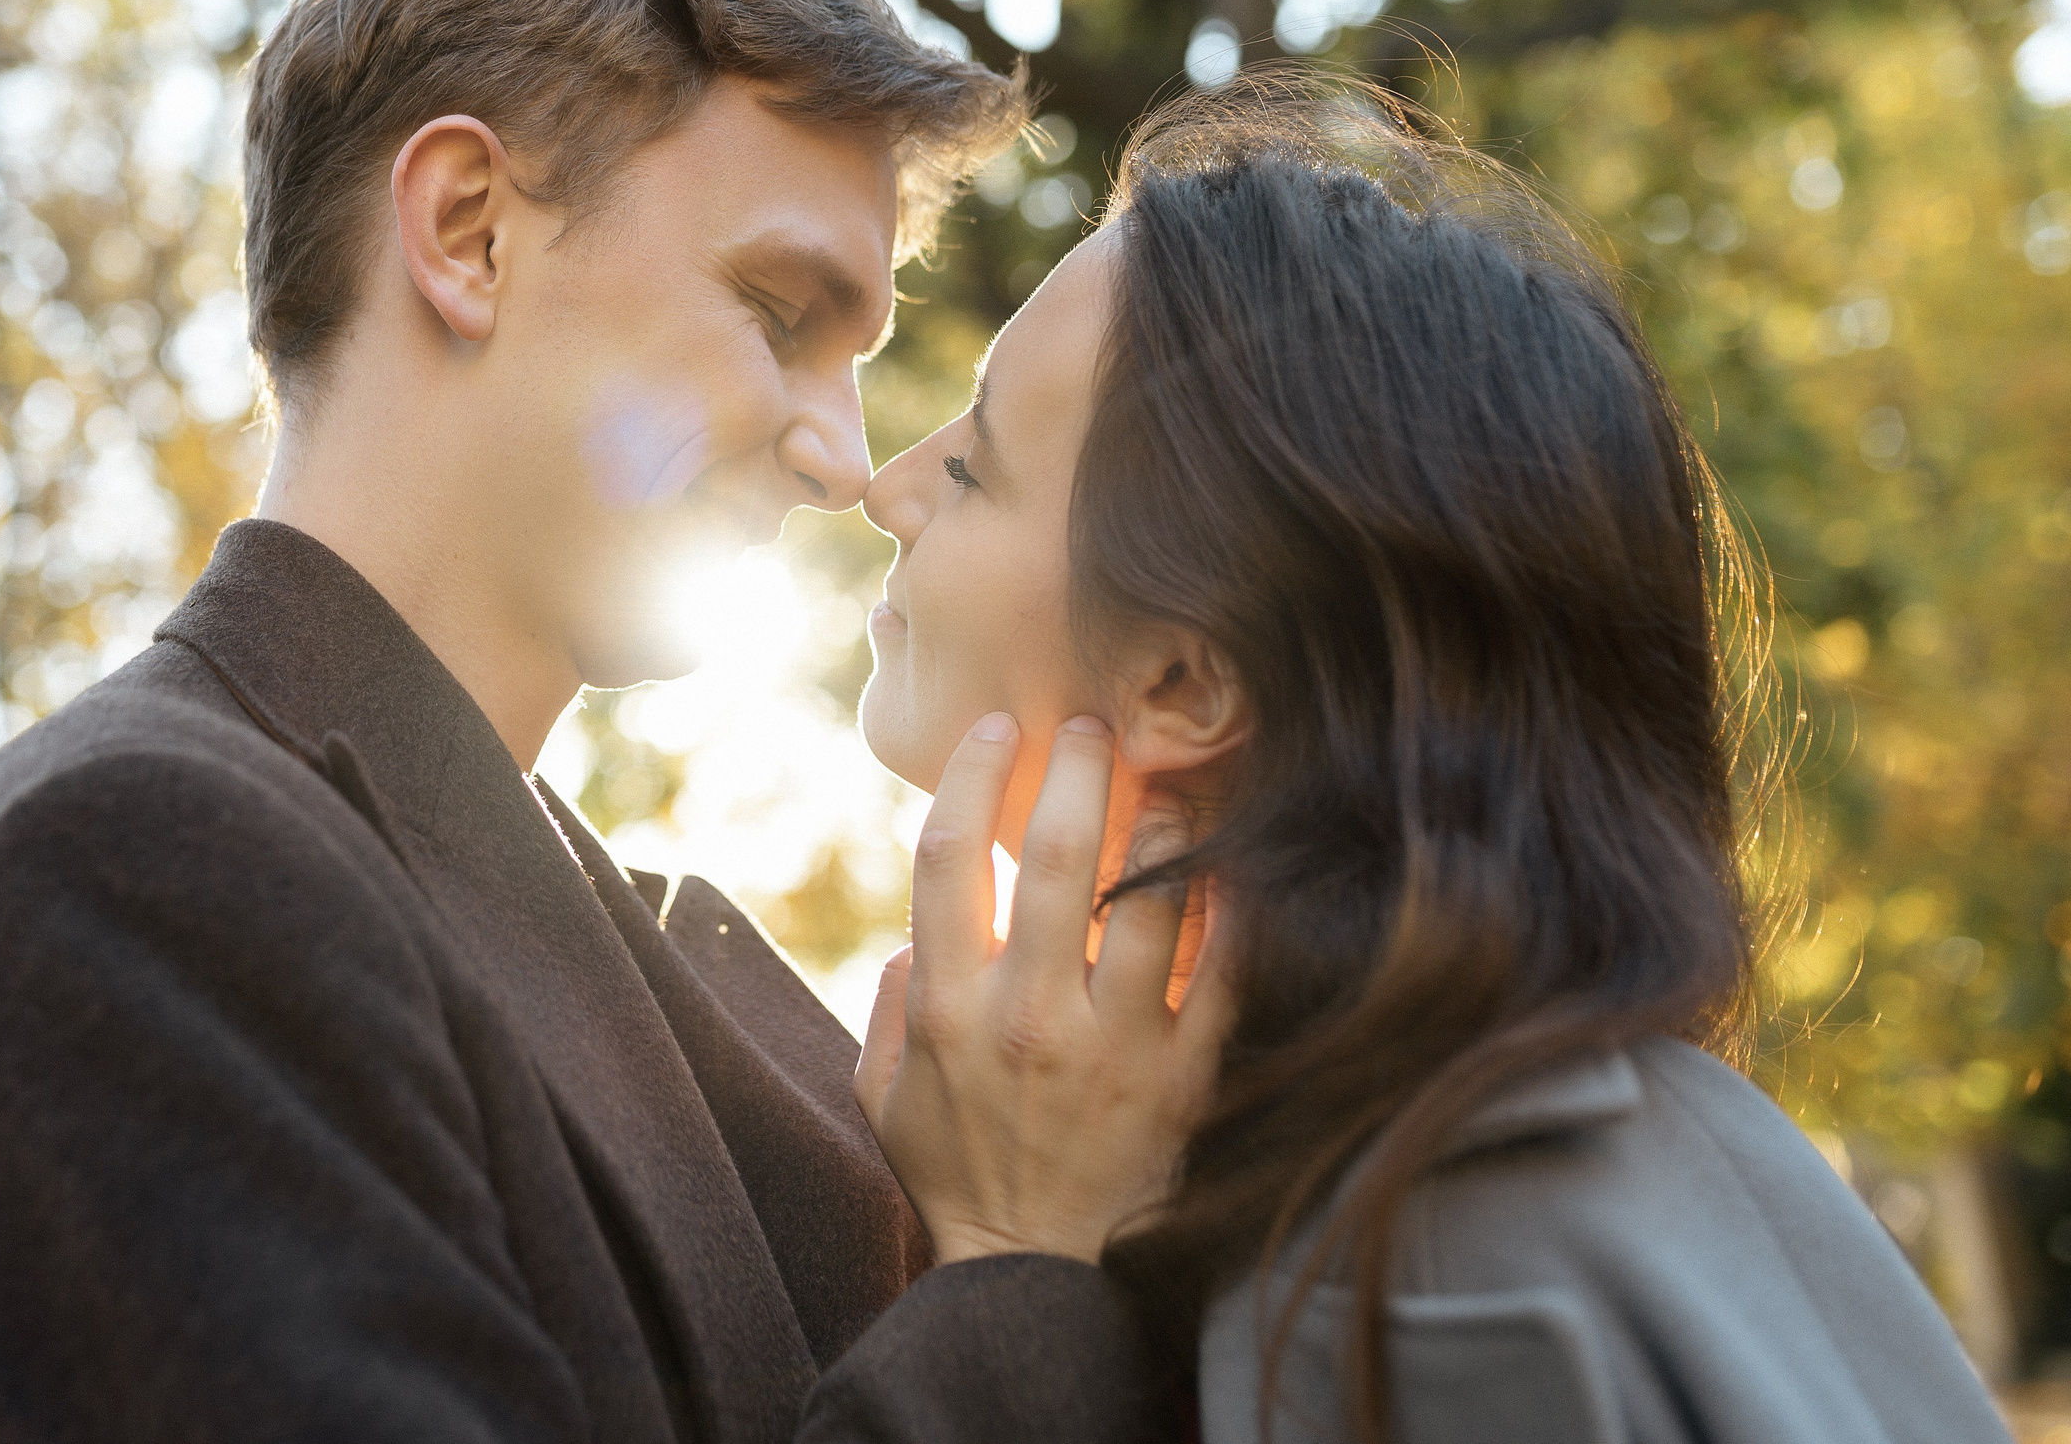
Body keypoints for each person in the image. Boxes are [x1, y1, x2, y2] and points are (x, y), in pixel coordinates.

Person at [0, 0, 1215, 1443]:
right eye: (779, 313)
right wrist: (1015, 1274)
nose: (844, 460)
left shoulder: (648, 954)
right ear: (467, 232)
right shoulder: (133, 869)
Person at [848, 78, 2015, 1443]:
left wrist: (1008, 1268)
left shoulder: (1423, 1295)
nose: (889, 484)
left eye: (976, 469)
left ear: (1184, 679)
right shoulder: (1631, 1151)